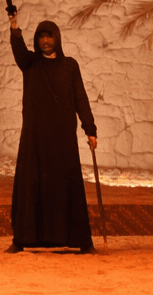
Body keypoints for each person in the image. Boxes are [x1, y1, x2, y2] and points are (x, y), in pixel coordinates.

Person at [6, 13, 98, 254]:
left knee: (67, 186)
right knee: (32, 184)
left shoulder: (69, 66)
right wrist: (14, 27)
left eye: (49, 36)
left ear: (57, 38)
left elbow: (80, 98)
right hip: (35, 137)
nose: (45, 41)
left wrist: (90, 128)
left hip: (62, 137)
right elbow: (19, 51)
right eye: (41, 37)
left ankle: (83, 242)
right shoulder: (30, 63)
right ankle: (21, 240)